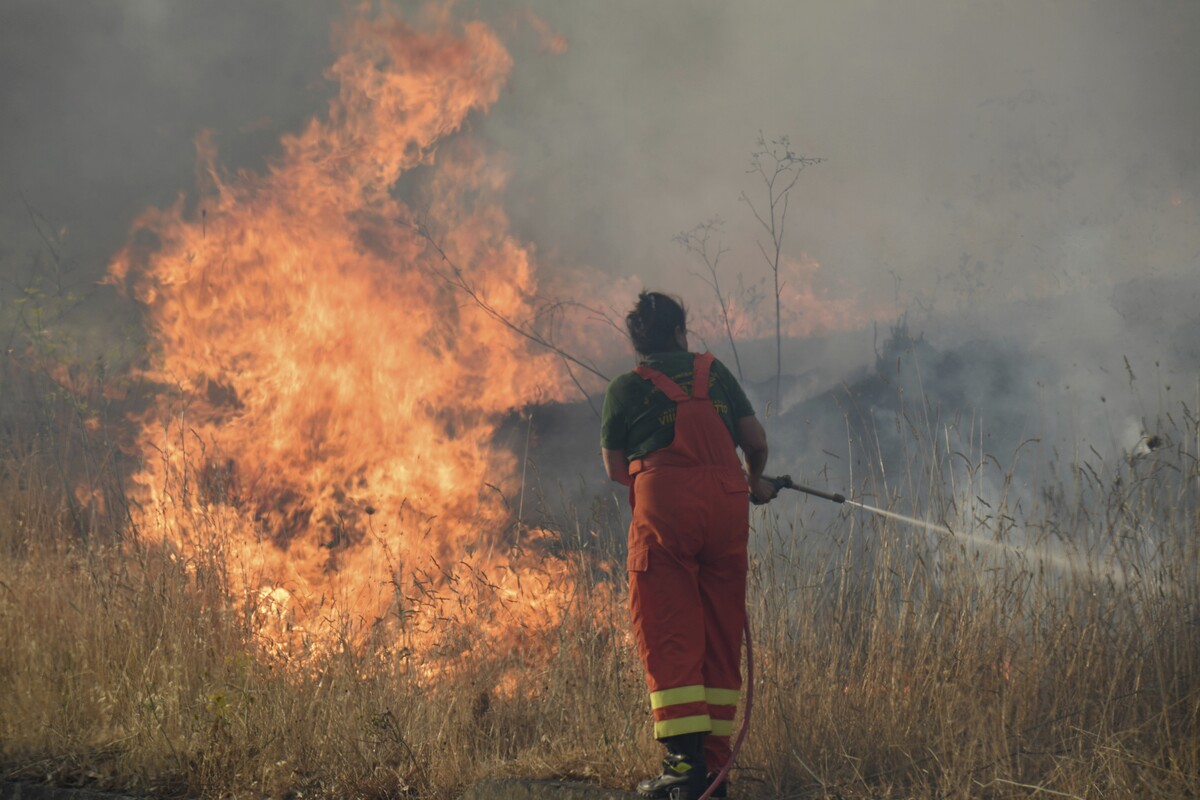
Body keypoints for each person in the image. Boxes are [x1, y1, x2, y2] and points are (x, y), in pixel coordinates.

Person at [601, 291, 776, 799]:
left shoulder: (624, 388)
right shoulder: (714, 372)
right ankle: (715, 770)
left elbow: (615, 469)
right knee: (721, 630)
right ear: (680, 333)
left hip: (668, 510)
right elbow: (756, 442)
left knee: (669, 624)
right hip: (727, 506)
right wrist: (755, 479)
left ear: (638, 344)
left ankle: (683, 768)